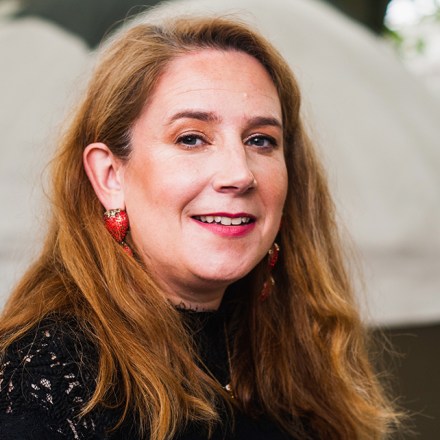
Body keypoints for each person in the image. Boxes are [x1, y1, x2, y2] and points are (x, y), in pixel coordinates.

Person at [0, 15, 399, 440]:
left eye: (260, 140)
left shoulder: (297, 353)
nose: (239, 174)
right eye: (191, 138)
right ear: (111, 176)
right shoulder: (45, 377)